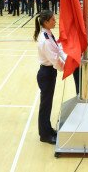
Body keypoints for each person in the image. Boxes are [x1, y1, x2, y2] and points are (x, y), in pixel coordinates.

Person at [33, 10, 65, 144]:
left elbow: (58, 50)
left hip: (49, 72)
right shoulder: (45, 39)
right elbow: (54, 59)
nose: (55, 21)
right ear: (46, 22)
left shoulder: (48, 34)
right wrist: (66, 68)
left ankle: (48, 128)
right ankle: (44, 134)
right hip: (46, 73)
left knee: (48, 102)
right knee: (45, 104)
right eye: (52, 19)